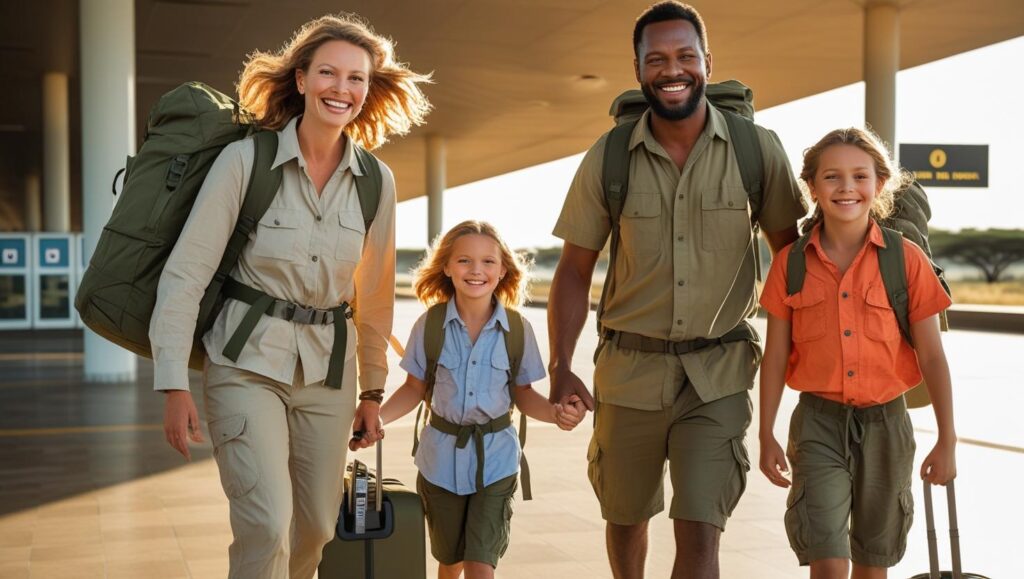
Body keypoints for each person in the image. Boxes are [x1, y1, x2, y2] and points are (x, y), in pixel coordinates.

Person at [149, 14, 431, 578]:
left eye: (356, 78)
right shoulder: (245, 162)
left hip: (329, 376)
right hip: (245, 365)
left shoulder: (376, 181)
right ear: (301, 79)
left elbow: (375, 299)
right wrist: (173, 381)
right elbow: (187, 272)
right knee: (267, 525)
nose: (341, 88)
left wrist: (372, 392)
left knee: (317, 527)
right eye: (328, 72)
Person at [547, 2, 808, 577]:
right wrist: (561, 366)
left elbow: (792, 260)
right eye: (657, 59)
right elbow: (573, 269)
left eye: (685, 56)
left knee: (701, 531)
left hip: (718, 375)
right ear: (638, 69)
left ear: (707, 62)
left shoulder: (756, 149)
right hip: (629, 372)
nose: (673, 70)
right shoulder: (609, 156)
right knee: (625, 518)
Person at [757, 127, 957, 578]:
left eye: (860, 176)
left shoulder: (906, 260)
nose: (846, 187)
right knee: (827, 559)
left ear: (880, 184)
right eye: (832, 176)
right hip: (818, 425)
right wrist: (766, 432)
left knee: (873, 561)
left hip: (887, 425)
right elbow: (775, 357)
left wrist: (947, 438)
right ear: (812, 187)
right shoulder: (790, 263)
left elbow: (932, 356)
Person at [379, 220, 583, 579]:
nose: (476, 270)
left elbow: (523, 395)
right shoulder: (429, 325)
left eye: (488, 261)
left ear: (503, 270)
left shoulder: (517, 330)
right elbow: (413, 389)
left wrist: (555, 414)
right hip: (439, 463)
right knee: (450, 562)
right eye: (464, 261)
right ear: (446, 266)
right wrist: (377, 418)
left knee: (479, 564)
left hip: (496, 463)